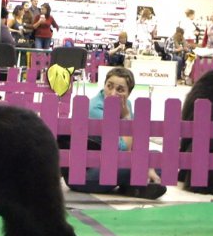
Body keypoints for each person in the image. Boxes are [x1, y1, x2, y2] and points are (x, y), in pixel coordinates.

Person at [65, 66, 167, 199]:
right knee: (135, 164)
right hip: (85, 174)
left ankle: (132, 185)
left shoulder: (126, 104)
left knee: (159, 158)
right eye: (109, 86)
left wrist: (147, 161)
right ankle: (136, 184)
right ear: (104, 85)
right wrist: (126, 117)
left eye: (120, 90)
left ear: (129, 93)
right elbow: (124, 149)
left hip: (112, 163)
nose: (113, 93)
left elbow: (139, 140)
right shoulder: (95, 109)